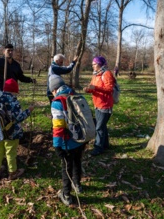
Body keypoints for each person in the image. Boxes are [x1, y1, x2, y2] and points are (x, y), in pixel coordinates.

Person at [49, 74, 86, 206]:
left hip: (67, 142)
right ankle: (77, 185)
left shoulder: (58, 102)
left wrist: (57, 146)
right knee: (77, 162)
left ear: (54, 89)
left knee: (66, 167)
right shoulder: (76, 95)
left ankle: (66, 194)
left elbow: (58, 127)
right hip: (81, 139)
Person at [0, 78, 35, 180]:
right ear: (14, 90)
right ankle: (12, 172)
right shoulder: (13, 101)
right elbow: (18, 118)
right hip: (12, 131)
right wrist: (28, 110)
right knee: (11, 152)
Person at [83, 56, 115, 156]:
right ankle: (105, 144)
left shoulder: (107, 74)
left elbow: (110, 89)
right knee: (102, 126)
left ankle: (98, 147)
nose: (92, 66)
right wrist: (88, 90)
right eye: (92, 64)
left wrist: (95, 88)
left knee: (99, 127)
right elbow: (93, 87)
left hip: (105, 105)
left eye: (94, 64)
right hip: (97, 104)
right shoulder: (95, 75)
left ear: (100, 64)